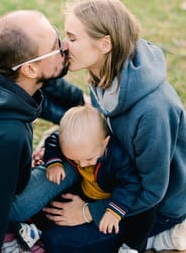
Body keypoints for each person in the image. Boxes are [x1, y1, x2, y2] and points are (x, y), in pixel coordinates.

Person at [10, 0, 186, 253]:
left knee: (58, 241)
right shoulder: (101, 72)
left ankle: (164, 237)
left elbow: (153, 191)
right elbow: (96, 124)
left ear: (105, 44)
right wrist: (63, 144)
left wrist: (88, 211)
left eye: (72, 38)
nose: (64, 46)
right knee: (32, 211)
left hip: (153, 206)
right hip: (102, 169)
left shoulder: (153, 110)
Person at [0, 9, 85, 253]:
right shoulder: (6, 137)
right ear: (30, 70)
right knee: (74, 165)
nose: (64, 46)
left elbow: (46, 87)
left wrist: (81, 102)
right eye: (55, 46)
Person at [44, 105, 157, 253]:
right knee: (53, 210)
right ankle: (36, 226)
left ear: (105, 143)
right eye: (75, 160)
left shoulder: (117, 156)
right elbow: (53, 140)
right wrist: (53, 162)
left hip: (114, 200)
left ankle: (131, 247)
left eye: (89, 159)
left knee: (143, 218)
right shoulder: (78, 148)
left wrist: (113, 211)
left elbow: (129, 185)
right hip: (87, 192)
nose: (82, 165)